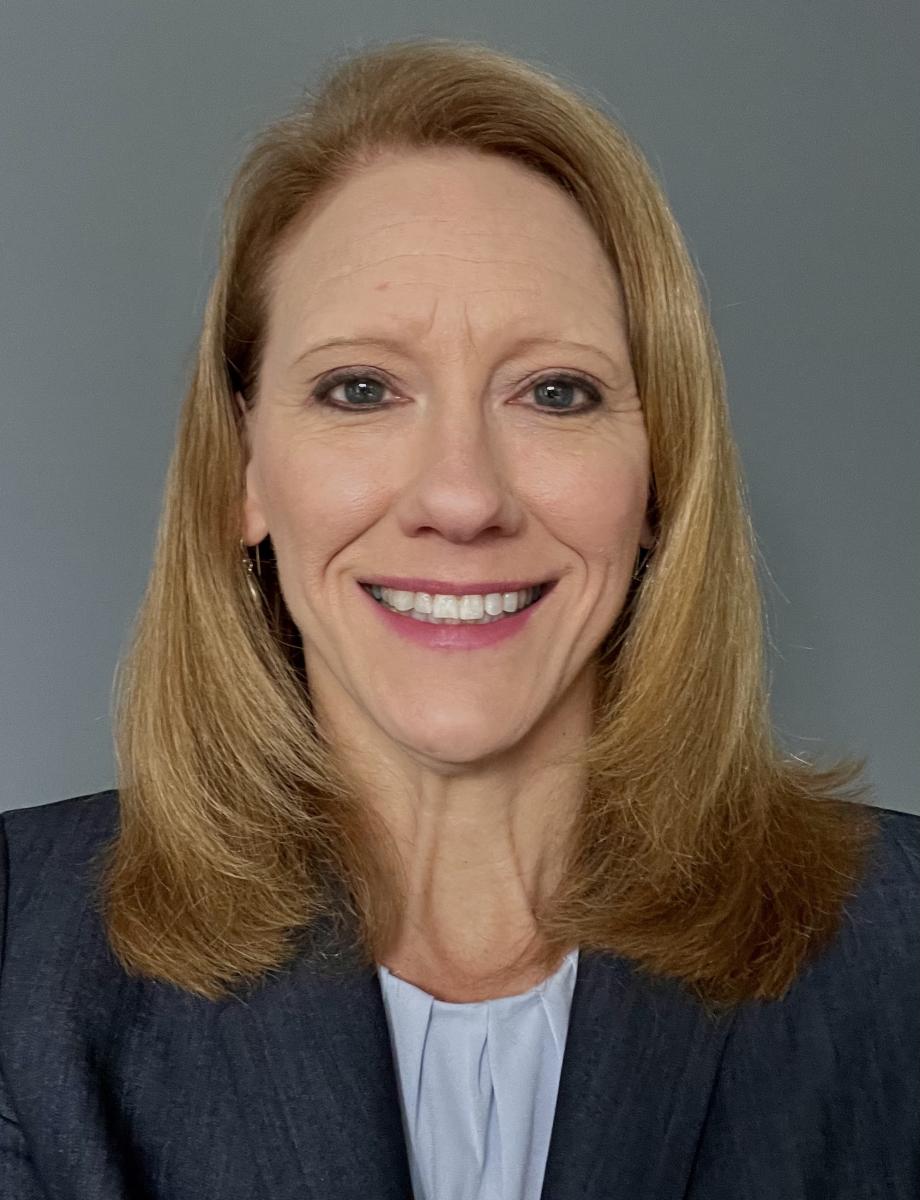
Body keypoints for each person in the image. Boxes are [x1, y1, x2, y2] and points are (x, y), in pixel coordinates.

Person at [1, 36, 917, 1200]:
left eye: (554, 392)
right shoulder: (15, 944)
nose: (462, 497)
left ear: (659, 472)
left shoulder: (900, 952)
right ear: (243, 471)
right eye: (360, 389)